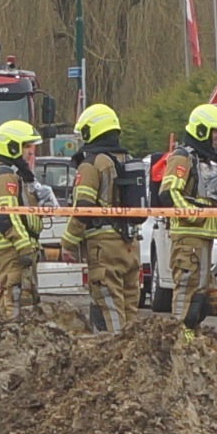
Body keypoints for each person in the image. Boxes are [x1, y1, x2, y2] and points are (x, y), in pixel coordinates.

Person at [69, 104, 141, 331]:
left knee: (109, 305)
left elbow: (84, 206)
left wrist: (68, 240)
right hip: (130, 244)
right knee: (130, 306)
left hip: (104, 246)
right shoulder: (128, 159)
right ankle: (134, 348)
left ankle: (116, 347)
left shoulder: (92, 164)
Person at [161, 104, 217, 340]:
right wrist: (194, 215)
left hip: (202, 237)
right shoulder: (182, 157)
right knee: (187, 290)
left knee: (201, 295)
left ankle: (191, 338)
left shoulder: (205, 160)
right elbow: (169, 192)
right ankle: (181, 339)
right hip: (189, 236)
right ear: (202, 131)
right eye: (215, 131)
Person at [0, 119, 45, 318]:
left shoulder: (13, 174)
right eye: (26, 146)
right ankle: (11, 332)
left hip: (16, 248)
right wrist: (24, 245)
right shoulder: (5, 176)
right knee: (15, 298)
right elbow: (7, 215)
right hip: (12, 249)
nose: (31, 152)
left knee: (17, 297)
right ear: (12, 147)